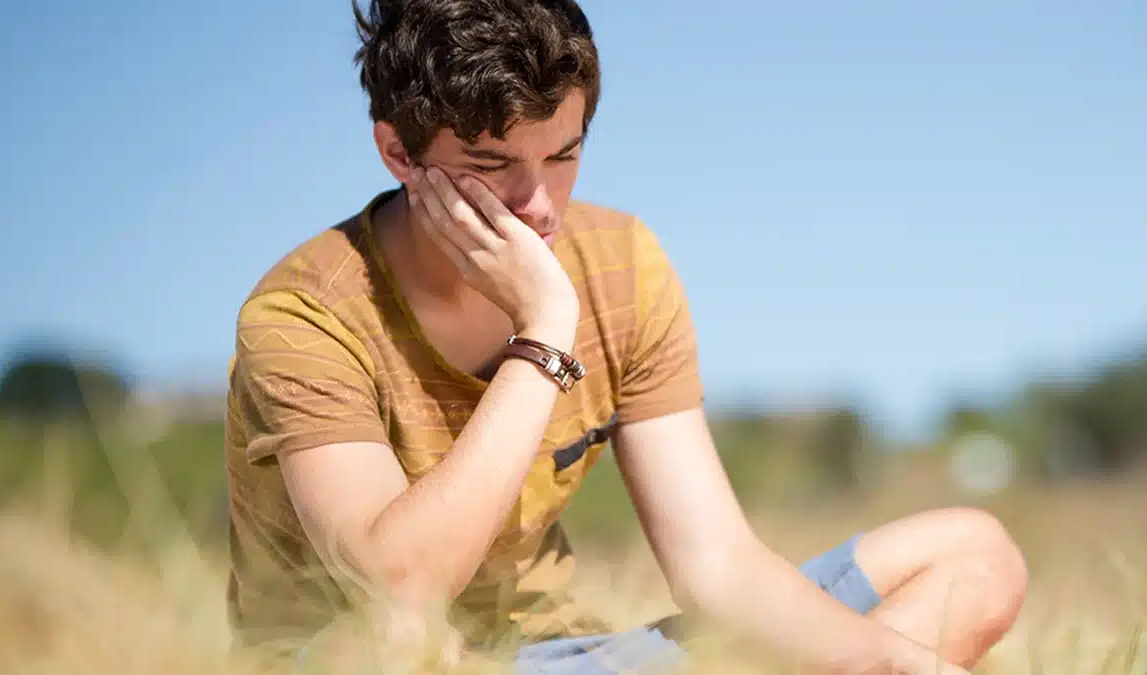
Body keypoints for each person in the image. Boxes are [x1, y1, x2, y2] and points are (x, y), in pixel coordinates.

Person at [221, 0, 1029, 672]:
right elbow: (400, 584)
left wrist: (895, 664)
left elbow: (717, 567)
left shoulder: (623, 264)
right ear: (398, 149)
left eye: (563, 153)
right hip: (380, 661)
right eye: (491, 163)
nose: (537, 203)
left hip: (569, 657)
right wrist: (541, 333)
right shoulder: (304, 316)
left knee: (974, 557)